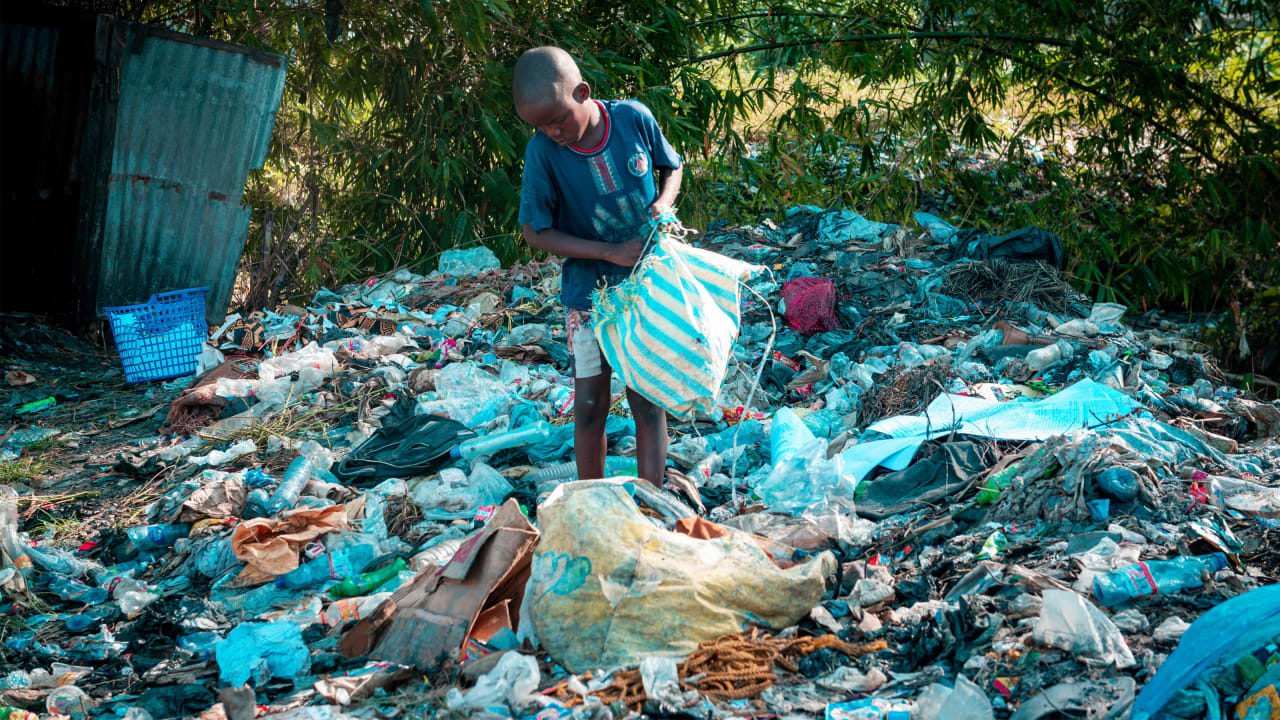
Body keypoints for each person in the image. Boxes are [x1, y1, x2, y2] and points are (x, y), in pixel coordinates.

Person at [513, 46, 682, 487]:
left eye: (559, 120)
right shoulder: (543, 154)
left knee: (647, 400)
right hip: (587, 297)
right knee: (590, 406)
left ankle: (651, 500)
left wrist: (663, 204)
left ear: (583, 93)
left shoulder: (632, 120)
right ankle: (592, 500)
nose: (553, 132)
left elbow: (672, 167)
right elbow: (535, 232)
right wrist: (608, 252)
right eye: (541, 127)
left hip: (646, 287)